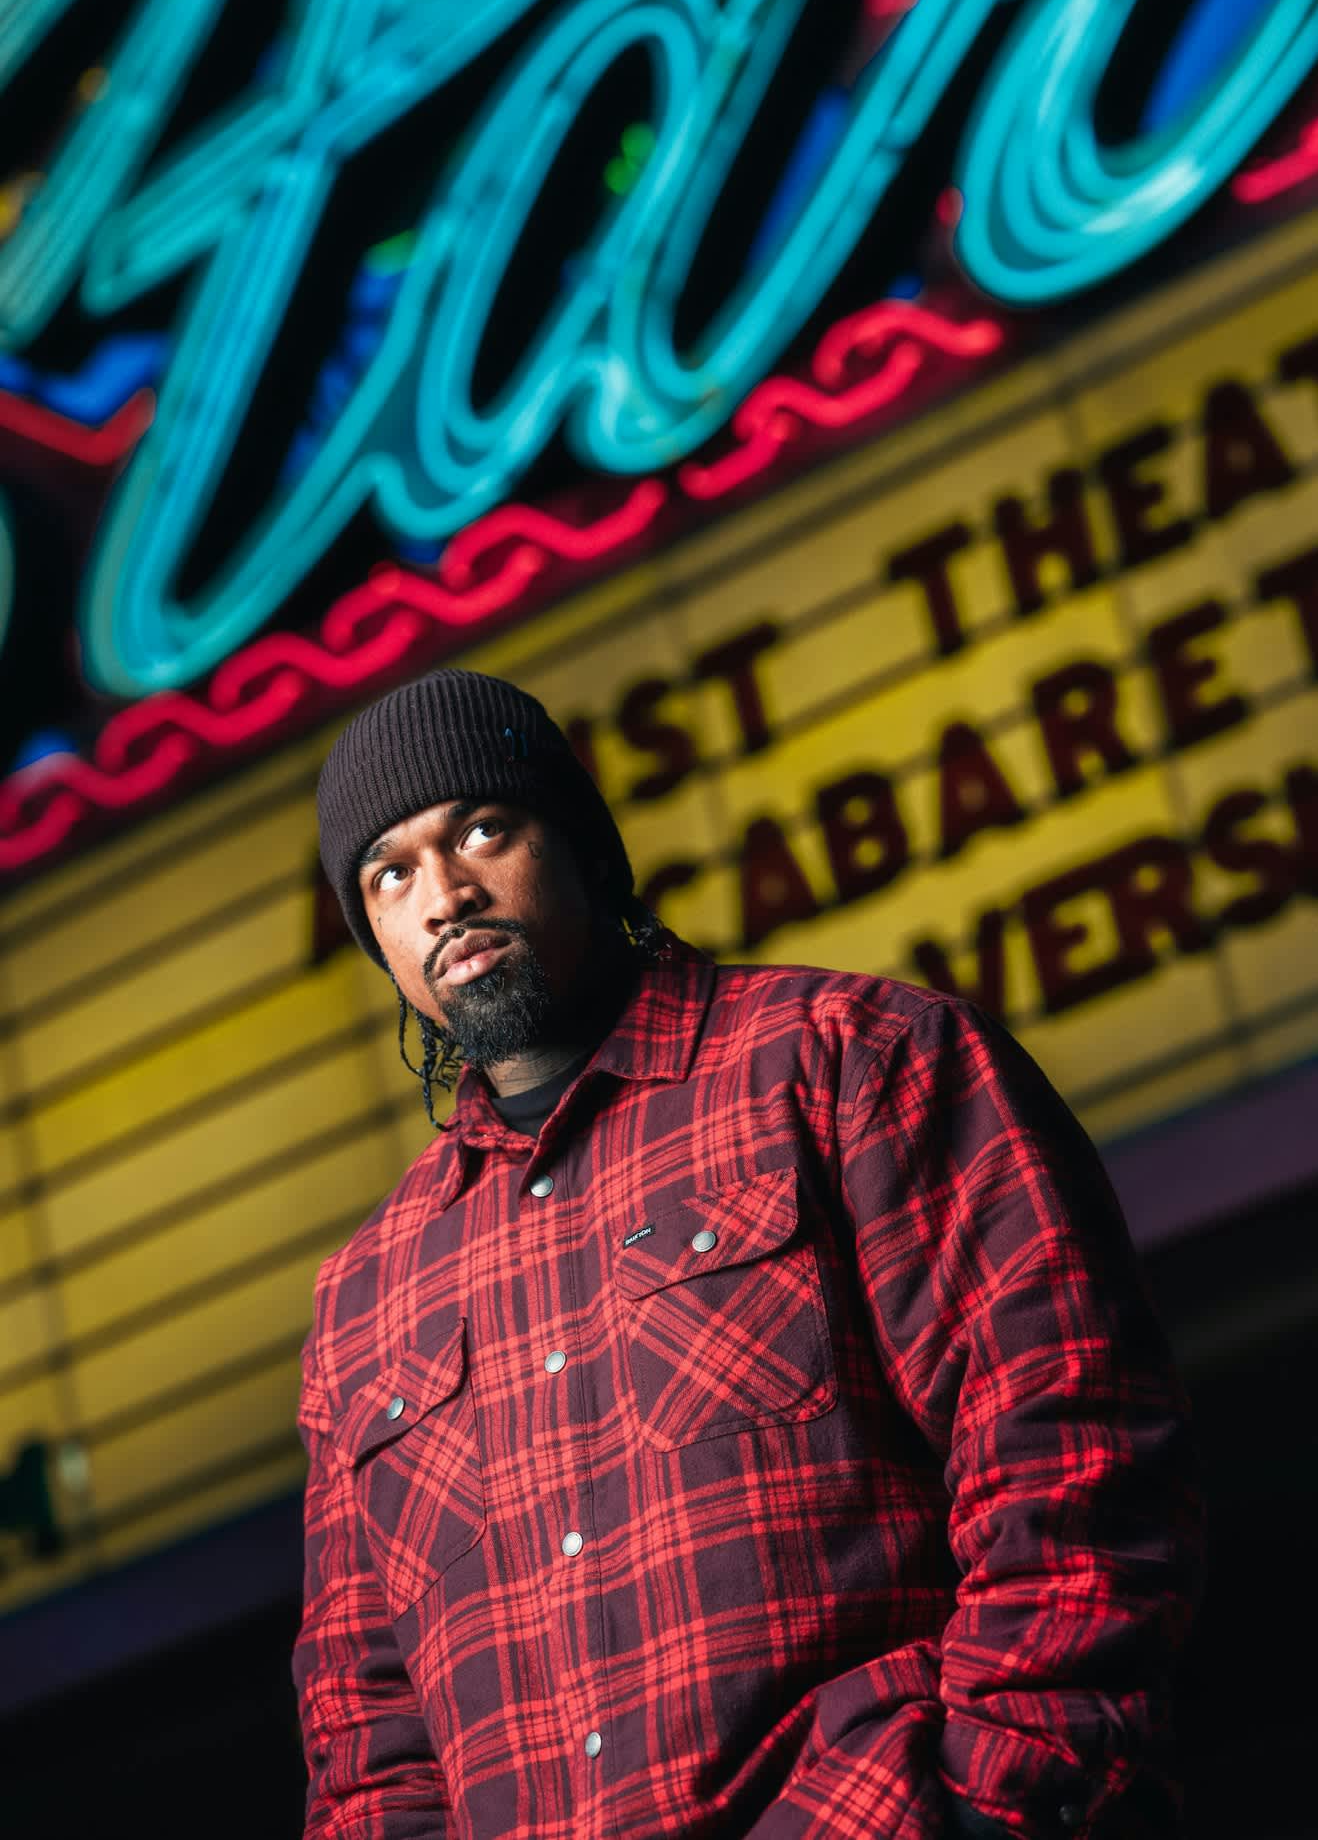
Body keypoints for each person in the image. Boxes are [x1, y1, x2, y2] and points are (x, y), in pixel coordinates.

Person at [295, 667, 1203, 1840]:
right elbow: (367, 1736)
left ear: (579, 843)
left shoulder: (857, 1061)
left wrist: (985, 1805)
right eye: (391, 873)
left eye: (481, 831)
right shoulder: (363, 1300)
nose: (445, 897)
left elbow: (1070, 1454)